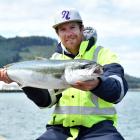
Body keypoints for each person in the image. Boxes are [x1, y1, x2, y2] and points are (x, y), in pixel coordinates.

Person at [0, 8, 128, 140]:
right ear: (58, 34)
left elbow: (118, 92)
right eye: (63, 29)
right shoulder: (54, 59)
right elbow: (46, 101)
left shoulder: (103, 54)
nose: (68, 34)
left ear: (81, 28)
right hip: (60, 130)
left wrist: (97, 84)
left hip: (100, 130)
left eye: (72, 27)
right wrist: (23, 81)